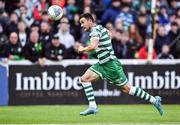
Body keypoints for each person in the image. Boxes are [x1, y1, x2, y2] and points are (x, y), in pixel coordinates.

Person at [78, 13, 163, 116]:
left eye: (83, 22)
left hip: (111, 65)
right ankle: (92, 107)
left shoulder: (95, 31)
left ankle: (154, 100)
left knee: (128, 89)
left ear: (90, 21)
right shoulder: (100, 28)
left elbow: (94, 46)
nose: (81, 25)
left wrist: (82, 49)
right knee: (84, 79)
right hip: (102, 64)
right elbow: (109, 33)